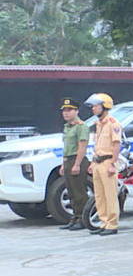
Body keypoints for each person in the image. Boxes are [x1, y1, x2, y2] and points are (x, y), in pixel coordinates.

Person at [84, 93, 122, 236]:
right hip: (98, 162)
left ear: (105, 107)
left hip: (107, 162)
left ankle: (112, 224)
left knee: (109, 195)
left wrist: (113, 163)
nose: (93, 109)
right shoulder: (98, 124)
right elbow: (97, 145)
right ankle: (104, 221)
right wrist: (93, 162)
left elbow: (116, 145)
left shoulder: (113, 124)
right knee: (99, 195)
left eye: (96, 106)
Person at [57, 98, 89, 231]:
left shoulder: (81, 126)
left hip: (78, 160)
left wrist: (77, 164)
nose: (66, 113)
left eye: (69, 110)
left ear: (76, 111)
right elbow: (66, 148)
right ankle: (75, 217)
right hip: (68, 160)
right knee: (71, 192)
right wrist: (63, 164)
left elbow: (82, 147)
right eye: (64, 111)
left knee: (79, 192)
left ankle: (83, 218)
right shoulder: (67, 127)